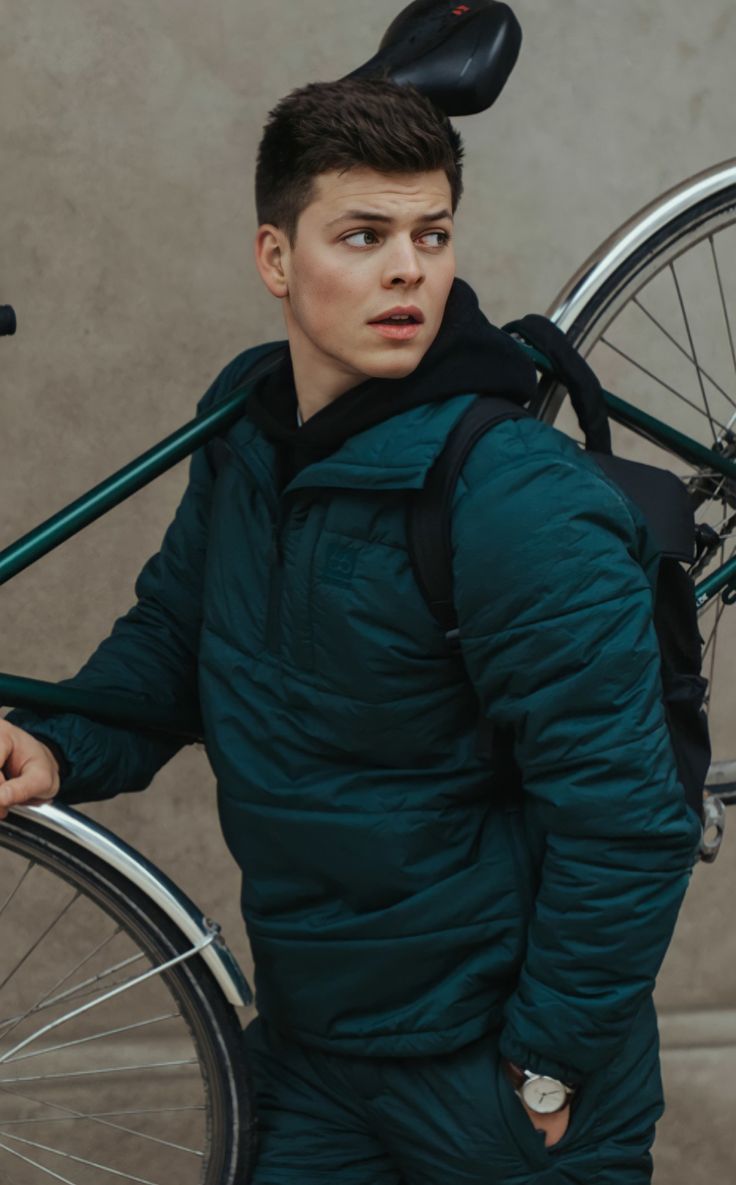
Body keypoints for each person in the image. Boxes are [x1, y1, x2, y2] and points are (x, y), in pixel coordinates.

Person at [0, 77, 701, 1183]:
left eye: (431, 234)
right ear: (276, 259)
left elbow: (629, 820)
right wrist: (58, 747)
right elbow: (180, 639)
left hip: (494, 1080)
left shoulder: (513, 498)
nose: (407, 270)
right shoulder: (246, 429)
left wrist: (549, 1068)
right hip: (313, 1050)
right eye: (363, 235)